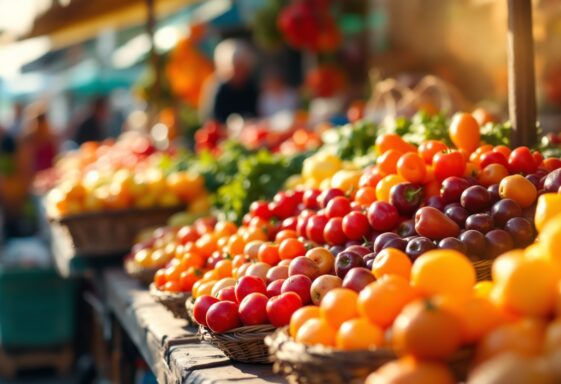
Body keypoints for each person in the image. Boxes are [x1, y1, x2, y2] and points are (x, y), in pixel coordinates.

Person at [200, 39, 258, 123]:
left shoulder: (250, 86)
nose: (241, 72)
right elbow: (211, 119)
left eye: (243, 67)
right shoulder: (218, 88)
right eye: (237, 67)